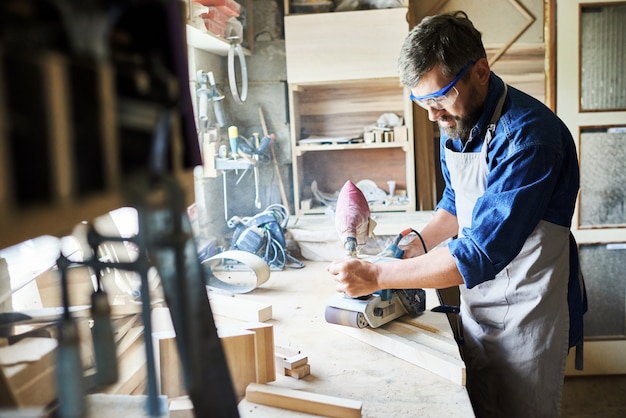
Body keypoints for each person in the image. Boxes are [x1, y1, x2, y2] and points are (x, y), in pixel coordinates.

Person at [327, 11, 586, 418]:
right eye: (421, 101)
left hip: (528, 312)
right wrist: (420, 243)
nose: (431, 114)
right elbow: (455, 201)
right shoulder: (459, 119)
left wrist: (376, 275)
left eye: (439, 96)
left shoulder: (530, 139)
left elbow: (478, 252)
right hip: (479, 301)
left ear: (480, 71)